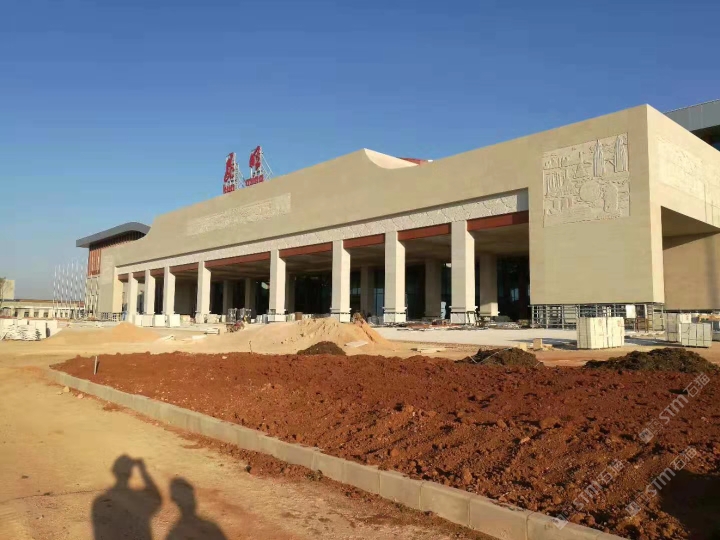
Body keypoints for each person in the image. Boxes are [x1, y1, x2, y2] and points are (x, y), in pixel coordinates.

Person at [91, 455, 162, 540]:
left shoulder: (99, 501)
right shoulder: (137, 499)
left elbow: (98, 532)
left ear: (114, 471)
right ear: (130, 474)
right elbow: (157, 500)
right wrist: (143, 470)